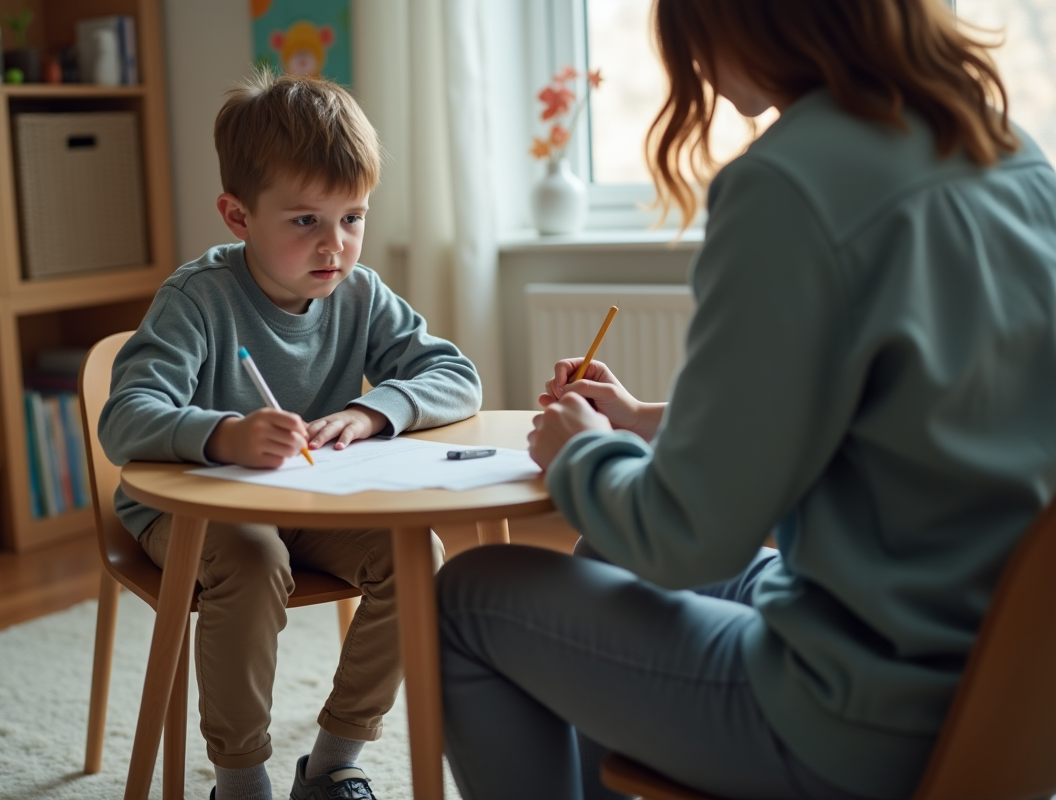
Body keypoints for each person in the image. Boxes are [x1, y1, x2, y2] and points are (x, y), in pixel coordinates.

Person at [437, 0, 1056, 798]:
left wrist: (583, 451)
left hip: (866, 717)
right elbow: (882, 418)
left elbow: (688, 539)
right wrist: (640, 424)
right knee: (608, 554)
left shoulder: (788, 183)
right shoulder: (1007, 151)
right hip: (1005, 690)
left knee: (468, 599)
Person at [99, 69, 481, 800]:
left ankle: (334, 764)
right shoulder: (198, 298)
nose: (335, 246)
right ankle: (239, 780)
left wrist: (375, 410)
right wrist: (225, 435)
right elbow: (124, 419)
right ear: (238, 217)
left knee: (418, 558)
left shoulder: (360, 293)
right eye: (305, 220)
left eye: (353, 218)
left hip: (307, 504)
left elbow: (455, 374)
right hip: (194, 512)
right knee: (248, 557)